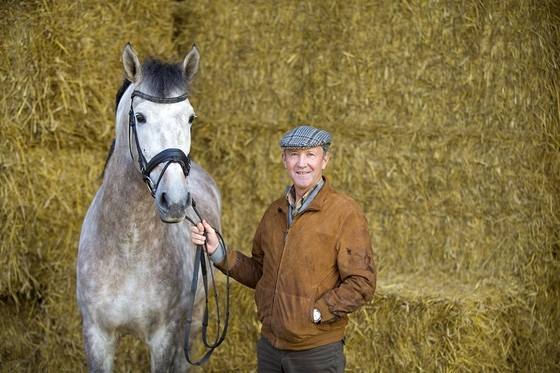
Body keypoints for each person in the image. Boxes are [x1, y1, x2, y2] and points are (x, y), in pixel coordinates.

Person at [191, 125, 376, 373]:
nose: (302, 164)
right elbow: (259, 272)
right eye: (294, 155)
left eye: (310, 154)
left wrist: (318, 313)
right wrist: (219, 251)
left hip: (316, 353)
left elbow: (362, 282)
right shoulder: (274, 212)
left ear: (325, 160)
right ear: (284, 160)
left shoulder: (345, 213)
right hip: (270, 348)